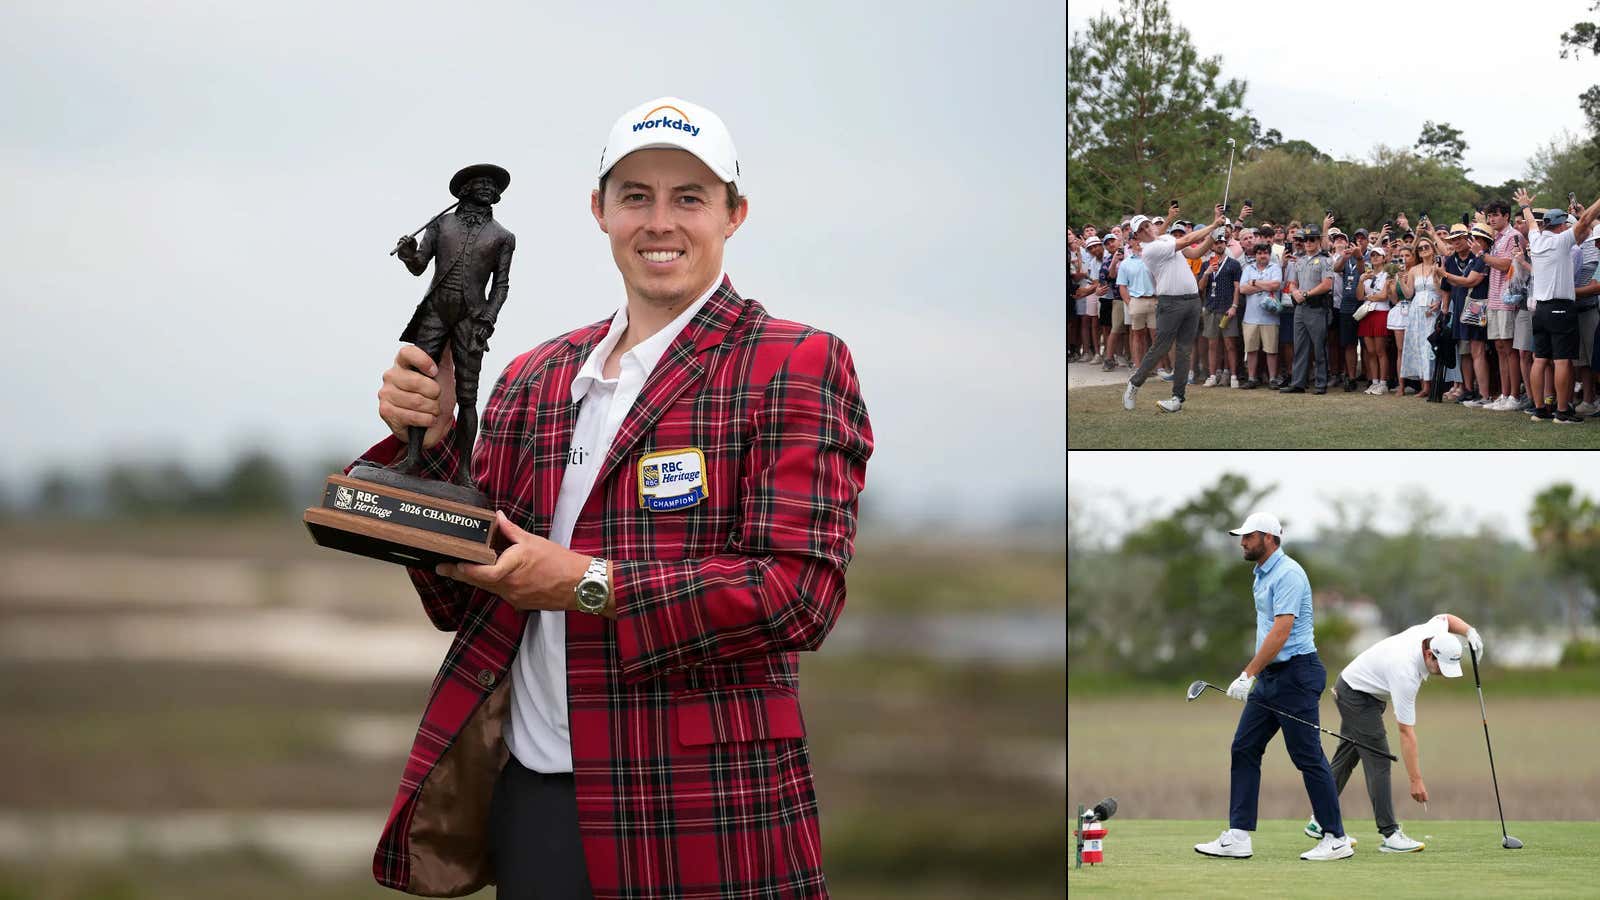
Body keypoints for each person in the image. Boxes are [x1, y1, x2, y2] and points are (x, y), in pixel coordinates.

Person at [363, 96, 874, 898]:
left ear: (734, 214)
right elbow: (458, 598)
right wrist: (424, 441)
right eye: (636, 196)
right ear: (599, 210)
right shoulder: (536, 374)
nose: (659, 222)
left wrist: (585, 583)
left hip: (705, 811)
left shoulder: (795, 362)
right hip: (531, 800)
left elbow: (796, 596)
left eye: (689, 198)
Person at [1194, 512, 1352, 862]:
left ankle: (1336, 837)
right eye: (1242, 536)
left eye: (1249, 536)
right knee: (1244, 747)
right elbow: (1268, 630)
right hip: (1271, 677)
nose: (1242, 542)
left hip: (1297, 675)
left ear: (1269, 538)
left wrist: (1247, 673)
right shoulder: (1260, 574)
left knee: (1307, 756)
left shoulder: (1289, 574)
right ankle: (1238, 835)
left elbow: (1281, 631)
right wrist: (1257, 674)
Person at [1302, 614, 1486, 854]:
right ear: (1429, 655)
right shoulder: (1405, 672)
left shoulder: (1433, 632)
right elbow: (1406, 732)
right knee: (1379, 759)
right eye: (1441, 666)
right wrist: (1415, 780)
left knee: (1347, 757)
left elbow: (1446, 618)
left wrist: (1470, 631)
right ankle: (1389, 834)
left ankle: (1319, 819)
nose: (1443, 673)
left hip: (1359, 689)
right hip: (1357, 696)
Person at [393, 164, 517, 487]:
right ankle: (413, 456)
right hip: (435, 310)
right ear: (465, 190)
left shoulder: (503, 237)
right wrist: (408, 254)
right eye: (482, 183)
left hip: (470, 319)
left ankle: (464, 472)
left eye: (493, 186)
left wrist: (487, 321)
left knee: (468, 397)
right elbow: (420, 265)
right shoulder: (440, 225)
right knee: (421, 382)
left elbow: (500, 287)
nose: (489, 189)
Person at [1123, 204, 1229, 413]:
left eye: (1147, 225)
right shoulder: (1150, 250)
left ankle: (1177, 398)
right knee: (1161, 347)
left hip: (1191, 300)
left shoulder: (1167, 239)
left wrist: (1214, 232)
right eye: (1141, 230)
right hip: (1170, 303)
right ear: (1137, 237)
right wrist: (1212, 225)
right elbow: (1188, 240)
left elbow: (1196, 252)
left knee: (1184, 350)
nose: (1146, 230)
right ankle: (1134, 384)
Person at [1516, 187, 1600, 422]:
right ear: (1562, 225)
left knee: (1540, 359)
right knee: (1562, 360)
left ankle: (1540, 409)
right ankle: (1562, 411)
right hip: (1561, 308)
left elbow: (1532, 223)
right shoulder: (1563, 241)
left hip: (1540, 309)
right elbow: (1584, 221)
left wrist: (1525, 206)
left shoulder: (1536, 238)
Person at [1480, 201, 1525, 410]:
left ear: (1506, 216)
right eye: (1489, 216)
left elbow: (1507, 264)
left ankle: (1515, 396)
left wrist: (1482, 256)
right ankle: (1505, 394)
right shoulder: (1496, 239)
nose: (1491, 220)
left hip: (1508, 298)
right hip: (1494, 297)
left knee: (1509, 348)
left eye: (1495, 215)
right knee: (1499, 347)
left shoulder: (1513, 235)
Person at [1280, 226, 1335, 394]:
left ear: (1319, 241)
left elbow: (1327, 284)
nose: (1308, 243)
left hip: (1317, 307)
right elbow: (1293, 282)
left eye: (1312, 240)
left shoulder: (1326, 260)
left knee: (1319, 347)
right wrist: (1296, 291)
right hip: (1300, 308)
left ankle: (1320, 383)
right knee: (1300, 347)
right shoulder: (1300, 260)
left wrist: (1306, 293)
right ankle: (1298, 383)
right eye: (1306, 240)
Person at [1437, 224, 1486, 404]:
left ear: (1468, 238)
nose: (1456, 243)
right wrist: (1444, 311)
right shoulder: (1449, 260)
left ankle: (1484, 391)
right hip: (1458, 310)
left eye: (1459, 239)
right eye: (1452, 240)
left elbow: (1470, 282)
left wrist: (1445, 274)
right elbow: (1446, 289)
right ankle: (1467, 388)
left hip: (1476, 306)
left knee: (1479, 350)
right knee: (1464, 351)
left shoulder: (1477, 256)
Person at [1199, 225, 1245, 387]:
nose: (1219, 245)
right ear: (1211, 245)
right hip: (1211, 308)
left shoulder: (1233, 264)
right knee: (1212, 344)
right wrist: (1207, 272)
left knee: (1230, 344)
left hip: (1227, 309)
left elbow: (1237, 287)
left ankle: (1233, 376)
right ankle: (1212, 375)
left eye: (1222, 242)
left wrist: (1234, 305)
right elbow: (1200, 287)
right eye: (1217, 242)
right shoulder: (1206, 264)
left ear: (1225, 244)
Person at [1399, 231, 1443, 399]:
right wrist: (1401, 281)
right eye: (1420, 248)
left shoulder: (1438, 267)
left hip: (1433, 309)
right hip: (1416, 310)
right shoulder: (1414, 270)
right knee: (1418, 346)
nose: (1423, 250)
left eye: (1426, 247)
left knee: (1429, 346)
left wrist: (1438, 300)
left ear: (1432, 248)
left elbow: (1441, 290)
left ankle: (1434, 383)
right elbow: (1409, 294)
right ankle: (1424, 385)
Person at [1238, 242, 1283, 389]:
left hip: (1270, 317)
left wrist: (1255, 282)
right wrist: (1263, 285)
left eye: (1265, 253)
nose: (1262, 256)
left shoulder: (1275, 267)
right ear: (1255, 255)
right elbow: (1242, 289)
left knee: (1271, 350)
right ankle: (1252, 378)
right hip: (1250, 317)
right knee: (1251, 349)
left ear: (1269, 255)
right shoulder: (1248, 268)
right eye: (1259, 253)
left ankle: (1272, 379)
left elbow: (1275, 286)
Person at [1118, 226, 1158, 374]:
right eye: (1134, 238)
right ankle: (1138, 366)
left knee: (1155, 336)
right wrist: (1129, 302)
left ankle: (1157, 367)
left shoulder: (1151, 258)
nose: (1137, 241)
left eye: (1138, 237)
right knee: (1138, 335)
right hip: (1136, 301)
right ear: (1130, 242)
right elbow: (1122, 286)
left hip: (1154, 299)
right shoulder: (1126, 263)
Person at [1357, 246, 1394, 394]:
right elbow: (1359, 296)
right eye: (1372, 255)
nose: (1375, 258)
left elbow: (1384, 296)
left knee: (1380, 350)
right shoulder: (1367, 275)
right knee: (1370, 351)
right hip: (1367, 314)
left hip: (1381, 312)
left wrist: (1369, 297)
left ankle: (1383, 382)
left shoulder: (1387, 275)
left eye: (1378, 255)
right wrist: (1361, 281)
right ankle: (1374, 381)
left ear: (1384, 258)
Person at [1388, 245, 1415, 396]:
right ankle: (1401, 384)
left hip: (1416, 311)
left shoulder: (1417, 271)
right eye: (1401, 256)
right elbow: (1393, 299)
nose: (1404, 259)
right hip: (1401, 312)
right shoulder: (1396, 273)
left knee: (1415, 349)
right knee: (1400, 350)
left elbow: (1412, 295)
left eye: (1407, 255)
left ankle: (1418, 383)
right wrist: (1391, 287)